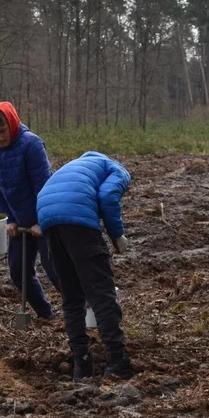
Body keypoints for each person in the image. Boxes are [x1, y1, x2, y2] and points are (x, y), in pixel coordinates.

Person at [37, 151, 133, 380]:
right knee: (101, 293)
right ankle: (116, 361)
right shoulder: (116, 168)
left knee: (72, 297)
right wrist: (117, 235)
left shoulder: (75, 165)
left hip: (47, 218)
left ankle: (81, 363)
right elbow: (109, 196)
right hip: (77, 219)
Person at [0, 101, 59, 319]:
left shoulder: (31, 144)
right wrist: (9, 218)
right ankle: (46, 314)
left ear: (12, 124)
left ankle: (83, 307)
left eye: (2, 131)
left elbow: (43, 186)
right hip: (18, 217)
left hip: (45, 217)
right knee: (18, 272)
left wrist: (42, 221)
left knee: (54, 269)